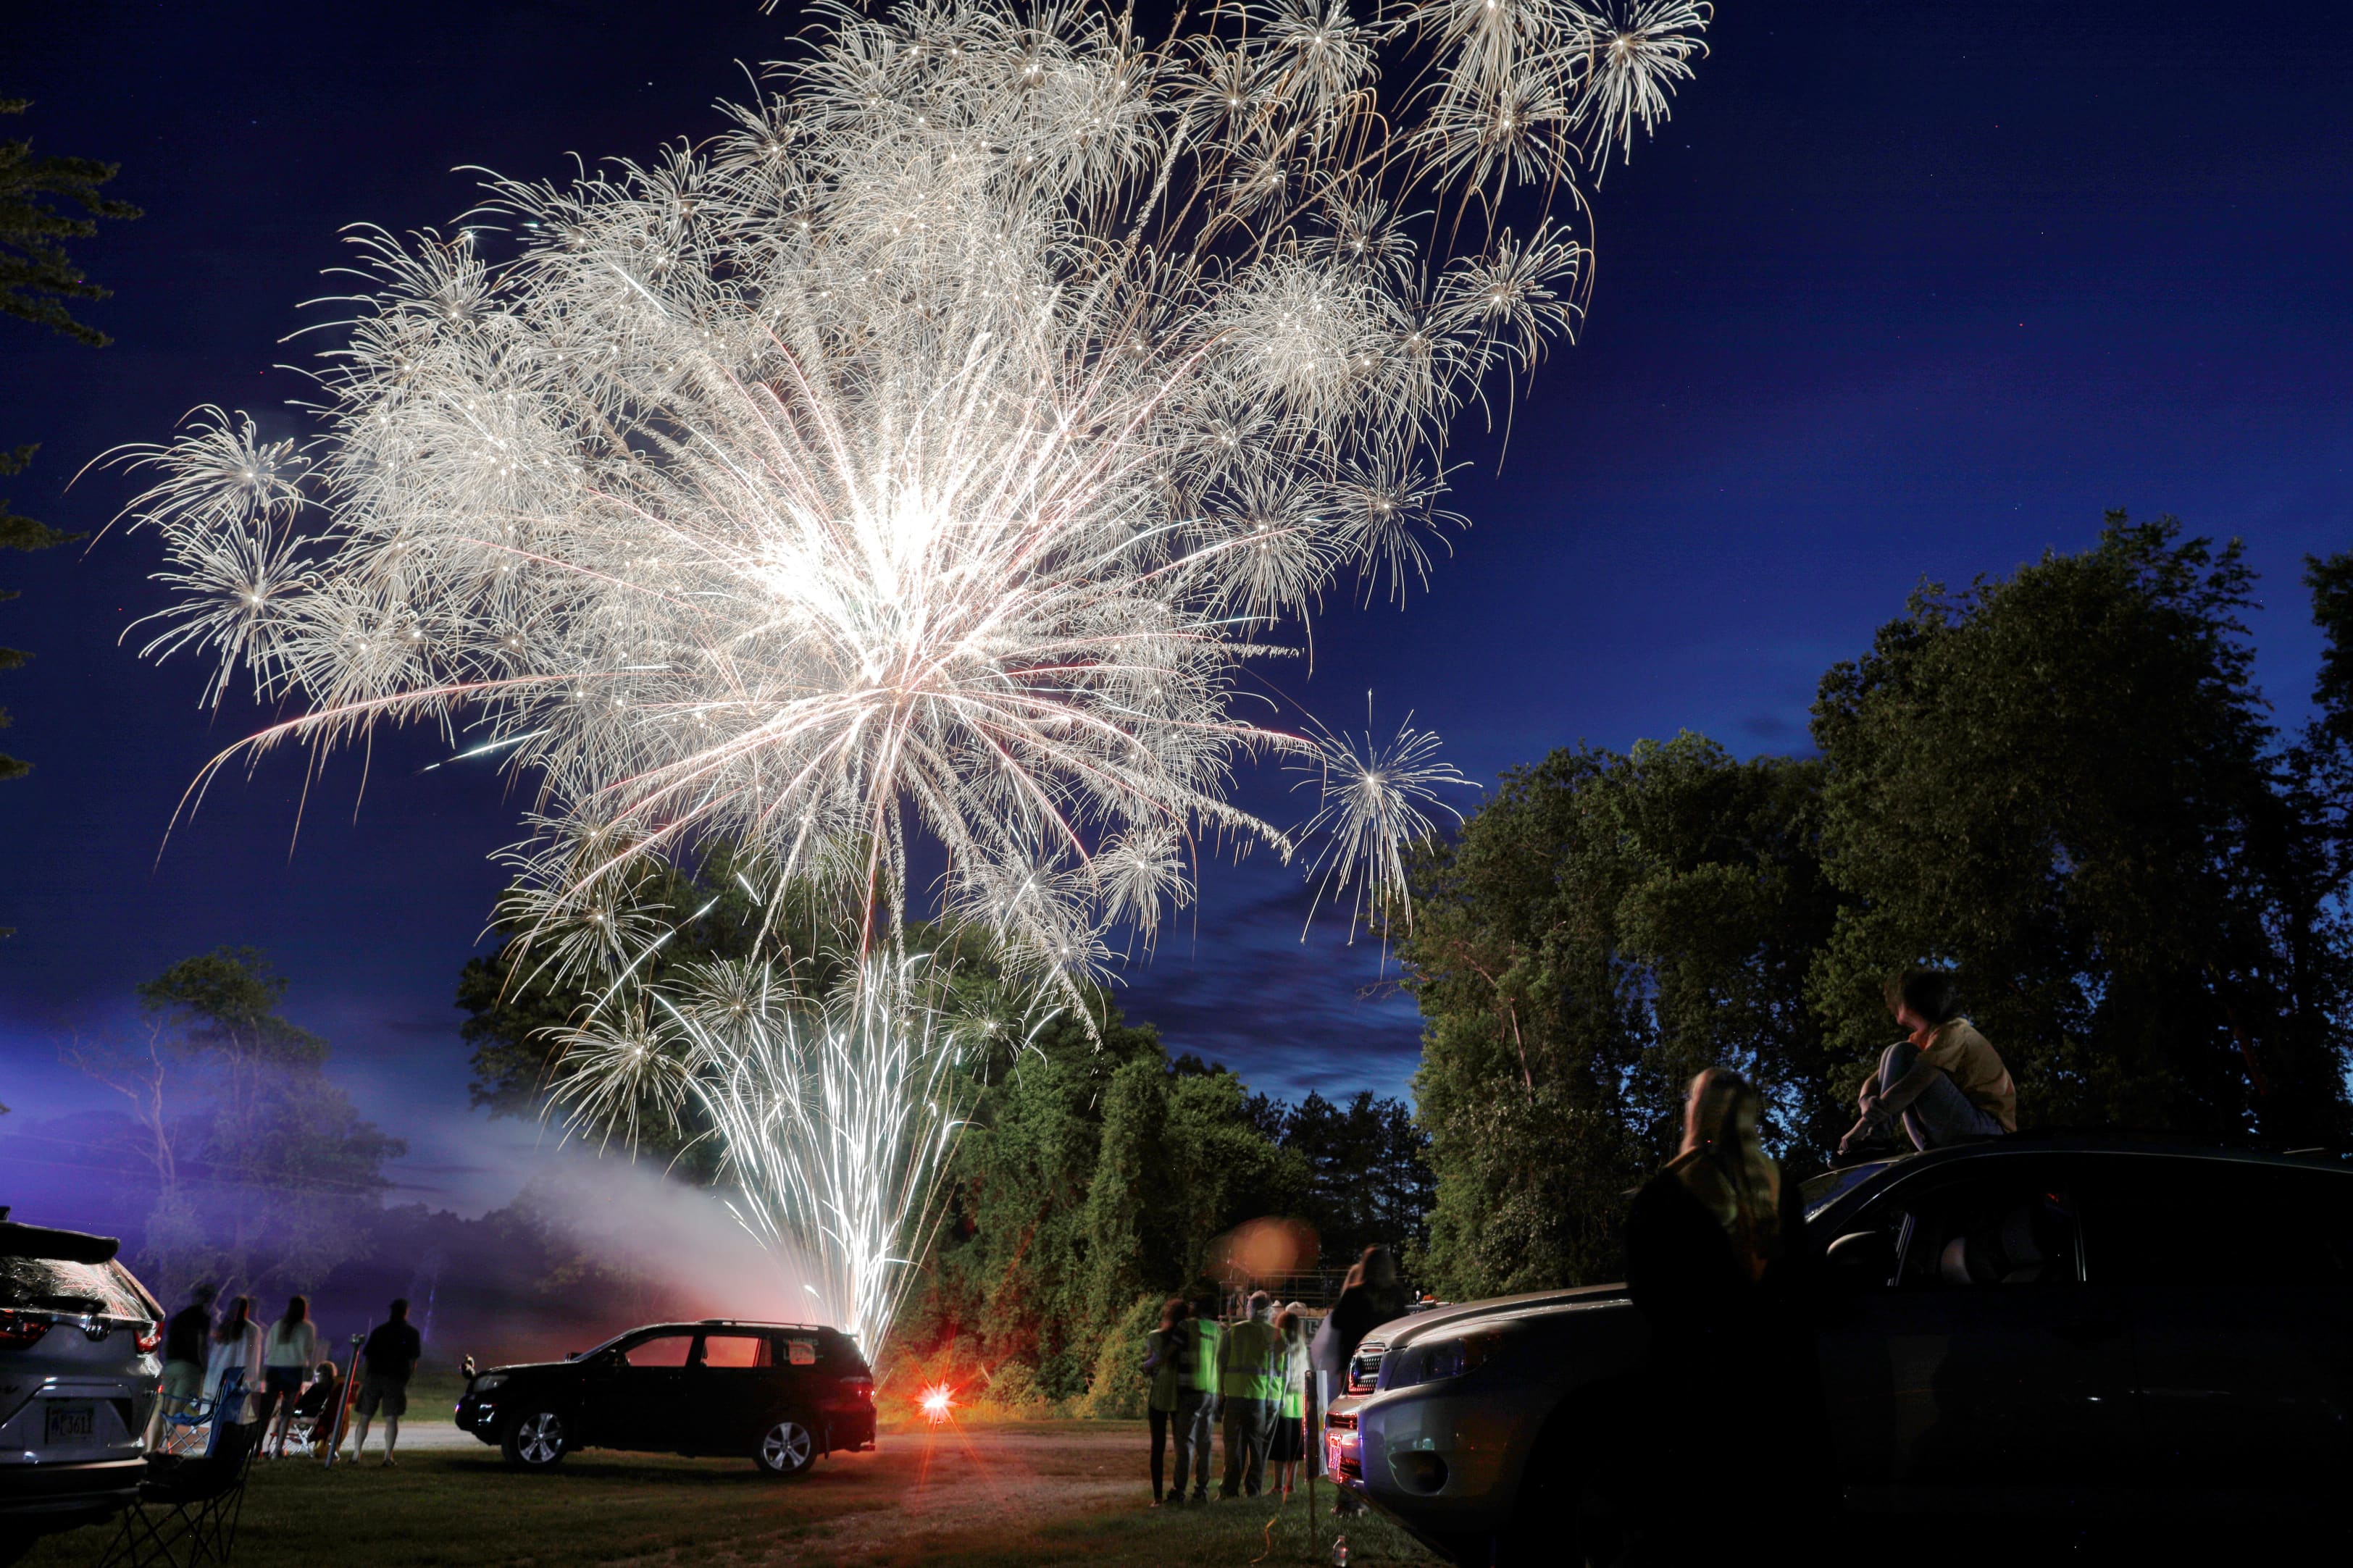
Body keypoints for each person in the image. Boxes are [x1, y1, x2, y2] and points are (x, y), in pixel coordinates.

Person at [1625, 1068, 1821, 1565]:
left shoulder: (1668, 1191)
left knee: (1698, 1525)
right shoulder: (1777, 1184)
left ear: (1698, 1111)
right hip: (1772, 1380)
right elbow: (1800, 1281)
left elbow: (1645, 1289)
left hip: (1696, 1382)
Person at [1840, 969, 2016, 1155]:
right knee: (1895, 1051)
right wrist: (1865, 1101)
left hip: (1989, 1133)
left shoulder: (1954, 1032)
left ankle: (1877, 1139)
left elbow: (1915, 1083)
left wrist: (1862, 1126)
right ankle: (1878, 1139)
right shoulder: (1921, 1039)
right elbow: (1874, 1081)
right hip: (1945, 1134)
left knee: (1904, 1053)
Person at [1318, 1246, 1407, 1514]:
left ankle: (1347, 1497)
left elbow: (1337, 1325)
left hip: (1357, 1370)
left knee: (1345, 1434)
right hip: (1387, 1372)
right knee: (1382, 1434)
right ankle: (1383, 1496)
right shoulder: (1397, 1296)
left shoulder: (1355, 1294)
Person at [1216, 1290, 1284, 1499]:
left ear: (1252, 1308)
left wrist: (1220, 1390)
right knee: (1257, 1447)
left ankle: (1229, 1490)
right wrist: (1277, 1399)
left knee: (1233, 1445)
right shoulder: (1276, 1335)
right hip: (1260, 1399)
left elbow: (1221, 1362)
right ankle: (1253, 1490)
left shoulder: (1235, 1331)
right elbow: (1281, 1372)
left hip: (1235, 1395)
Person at [348, 1298, 422, 1466]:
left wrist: (368, 1376)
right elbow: (412, 1360)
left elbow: (368, 1357)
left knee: (365, 1416)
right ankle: (388, 1456)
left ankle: (356, 1454)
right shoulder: (411, 1333)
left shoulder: (380, 1331)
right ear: (406, 1312)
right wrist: (406, 1378)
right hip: (395, 1378)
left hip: (375, 1376)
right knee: (391, 1418)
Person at [1166, 1289, 1221, 1507]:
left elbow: (1171, 1352)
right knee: (1205, 1444)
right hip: (1211, 1390)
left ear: (1197, 1308)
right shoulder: (1217, 1330)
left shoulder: (1186, 1326)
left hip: (1190, 1389)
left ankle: (1179, 1491)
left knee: (1185, 1443)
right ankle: (1202, 1491)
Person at [256, 1296, 319, 1457]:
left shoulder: (278, 1325)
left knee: (267, 1412)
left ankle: (257, 1449)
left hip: (274, 1368)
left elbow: (268, 1348)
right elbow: (309, 1349)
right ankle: (277, 1449)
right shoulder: (307, 1328)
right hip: (293, 1370)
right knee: (286, 1411)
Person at [1142, 1297, 1188, 1505]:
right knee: (1182, 1447)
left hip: (1159, 1392)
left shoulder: (1154, 1337)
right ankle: (1180, 1490)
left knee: (1157, 1447)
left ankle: (1158, 1497)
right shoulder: (1186, 1336)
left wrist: (1146, 1366)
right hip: (1179, 1393)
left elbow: (1150, 1362)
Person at [1266, 1304, 1311, 1500]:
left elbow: (1279, 1369)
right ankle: (1290, 1484)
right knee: (1294, 1444)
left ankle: (1278, 1484)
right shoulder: (1301, 1344)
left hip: (1283, 1397)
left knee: (1279, 1444)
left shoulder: (1280, 1341)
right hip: (1299, 1398)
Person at [157, 1282, 218, 1423]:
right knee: (176, 1410)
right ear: (209, 1300)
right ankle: (166, 1443)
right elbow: (201, 1344)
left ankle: (152, 1445)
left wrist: (166, 1360)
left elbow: (166, 1341)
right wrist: (205, 1367)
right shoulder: (203, 1318)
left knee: (162, 1408)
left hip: (171, 1363)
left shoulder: (178, 1317)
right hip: (190, 1367)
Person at [204, 1294, 263, 1423]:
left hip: (217, 1377)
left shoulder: (223, 1327)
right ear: (247, 1309)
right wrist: (252, 1378)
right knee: (233, 1416)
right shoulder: (253, 1330)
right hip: (238, 1377)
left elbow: (214, 1355)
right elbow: (254, 1355)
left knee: (216, 1414)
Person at [293, 1358, 343, 1457]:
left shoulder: (316, 1388)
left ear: (319, 1375)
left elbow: (299, 1405)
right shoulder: (335, 1389)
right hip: (325, 1418)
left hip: (311, 1416)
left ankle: (273, 1448)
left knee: (281, 1417)